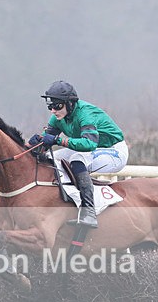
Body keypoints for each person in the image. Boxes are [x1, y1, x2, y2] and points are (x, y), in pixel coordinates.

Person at [27, 80, 128, 228]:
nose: (53, 110)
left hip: (114, 151)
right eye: (50, 106)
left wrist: (58, 140)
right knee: (50, 158)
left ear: (70, 104)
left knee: (77, 159)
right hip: (91, 150)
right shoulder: (57, 117)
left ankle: (89, 213)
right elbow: (46, 142)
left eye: (57, 106)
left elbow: (89, 144)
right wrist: (32, 144)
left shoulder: (85, 114)